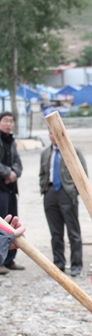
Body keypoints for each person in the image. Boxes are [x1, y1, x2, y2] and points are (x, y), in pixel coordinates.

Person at [39, 131, 87, 277]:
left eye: (56, 133)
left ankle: (76, 265)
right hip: (50, 192)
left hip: (67, 193)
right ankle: (58, 264)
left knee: (73, 232)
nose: (54, 137)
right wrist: (44, 188)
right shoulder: (45, 153)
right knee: (55, 233)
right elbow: (42, 173)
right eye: (51, 133)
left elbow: (83, 174)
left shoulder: (73, 151)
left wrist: (74, 191)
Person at [0, 111, 24, 274]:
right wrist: (8, 173)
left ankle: (9, 260)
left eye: (11, 121)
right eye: (5, 121)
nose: (8, 124)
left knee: (12, 222)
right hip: (1, 187)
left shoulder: (12, 141)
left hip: (10, 188)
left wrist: (14, 172)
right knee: (1, 224)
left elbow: (18, 163)